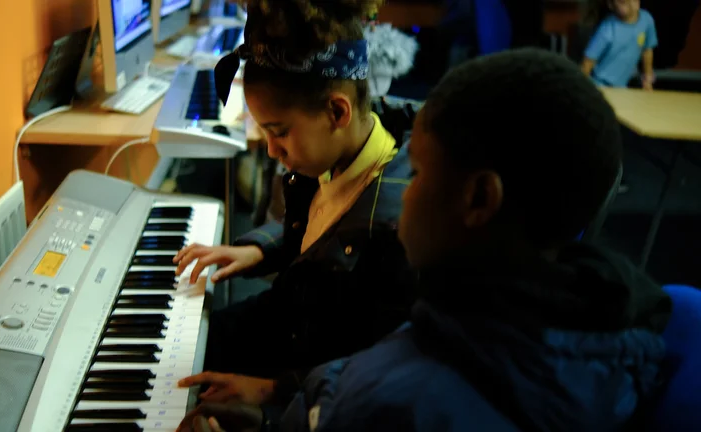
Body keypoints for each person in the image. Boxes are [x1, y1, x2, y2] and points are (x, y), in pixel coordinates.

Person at [178, 48, 672, 432]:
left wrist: (271, 413)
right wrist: (276, 406)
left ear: (478, 199)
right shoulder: (561, 314)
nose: (401, 192)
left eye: (416, 175)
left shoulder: (401, 402)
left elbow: (367, 396)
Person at [172, 0, 417, 405]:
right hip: (290, 316)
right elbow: (318, 223)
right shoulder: (344, 150)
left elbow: (377, 366)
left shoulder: (395, 235)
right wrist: (256, 249)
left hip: (315, 379)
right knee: (179, 345)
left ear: (336, 111)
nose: (270, 150)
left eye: (279, 132)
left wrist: (274, 391)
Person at [581, 0, 658, 89]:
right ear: (611, 5)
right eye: (622, 2)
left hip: (622, 87)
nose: (629, 3)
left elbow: (647, 50)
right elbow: (587, 63)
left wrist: (647, 80)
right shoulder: (606, 29)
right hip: (599, 84)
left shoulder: (647, 20)